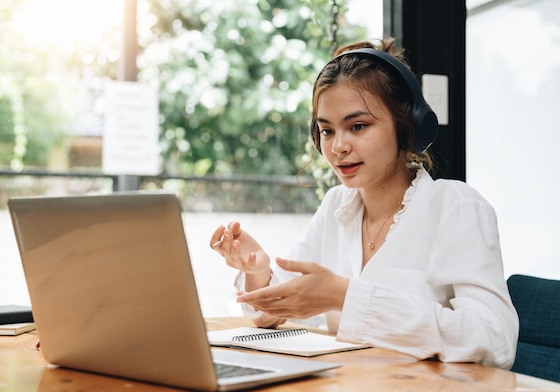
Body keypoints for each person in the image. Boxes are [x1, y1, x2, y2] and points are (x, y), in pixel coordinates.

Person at [209, 38, 518, 370]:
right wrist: (257, 271)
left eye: (358, 126)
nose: (338, 146)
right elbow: (270, 315)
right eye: (326, 131)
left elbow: (494, 340)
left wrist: (344, 297)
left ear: (407, 127)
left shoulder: (455, 206)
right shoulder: (336, 205)